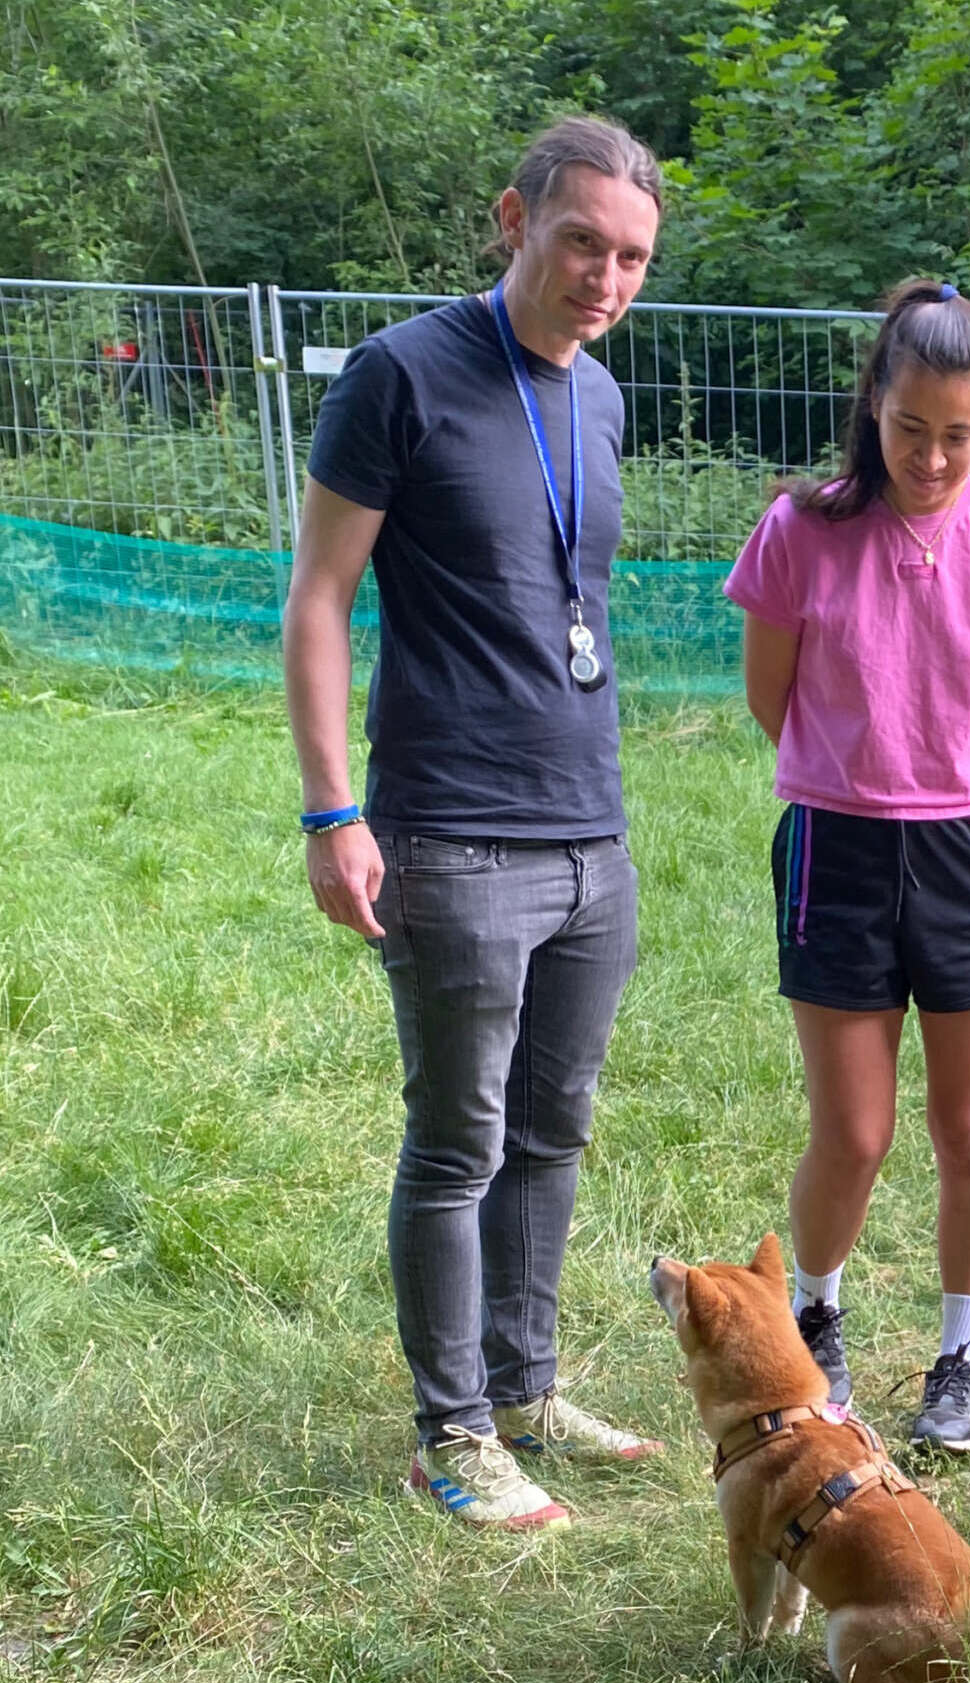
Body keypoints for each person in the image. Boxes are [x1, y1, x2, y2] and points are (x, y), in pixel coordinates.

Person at [281, 115, 666, 1531]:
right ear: (515, 220)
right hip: (449, 829)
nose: (604, 276)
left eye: (631, 257)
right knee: (461, 1138)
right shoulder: (401, 375)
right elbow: (320, 595)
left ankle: (527, 1384)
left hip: (590, 835)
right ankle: (451, 1428)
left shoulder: (602, 395)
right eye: (582, 243)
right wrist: (333, 806)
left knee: (555, 1128)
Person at [725, 280, 970, 1453]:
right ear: (872, 407)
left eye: (957, 436)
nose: (930, 458)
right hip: (833, 845)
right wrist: (862, 770)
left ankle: (958, 1364)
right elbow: (769, 698)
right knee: (856, 1131)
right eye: (908, 430)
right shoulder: (802, 529)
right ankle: (816, 1319)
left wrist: (948, 780)